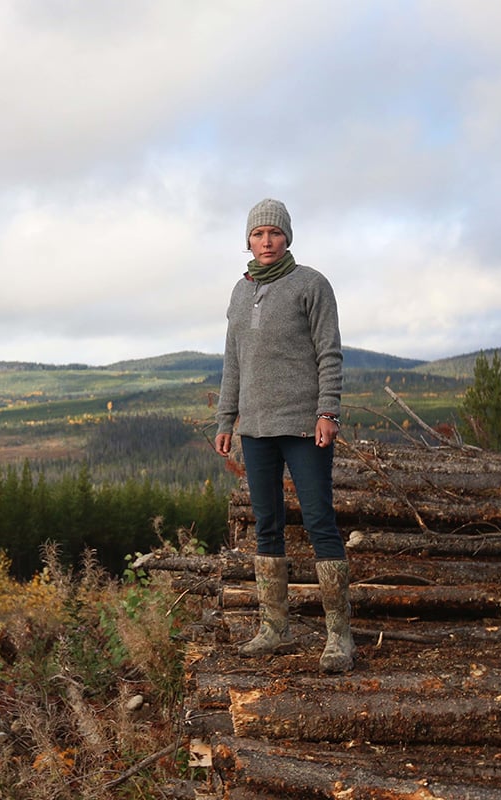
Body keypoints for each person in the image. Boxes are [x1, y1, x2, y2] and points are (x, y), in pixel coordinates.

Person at [213, 198, 354, 673]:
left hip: (302, 424)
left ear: (287, 237)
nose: (266, 241)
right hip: (255, 428)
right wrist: (224, 419)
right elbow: (233, 362)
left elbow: (329, 354)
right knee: (267, 523)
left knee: (318, 521)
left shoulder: (311, 285)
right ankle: (275, 628)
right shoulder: (240, 291)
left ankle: (339, 636)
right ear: (248, 240)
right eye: (258, 234)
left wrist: (327, 412)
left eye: (274, 233)